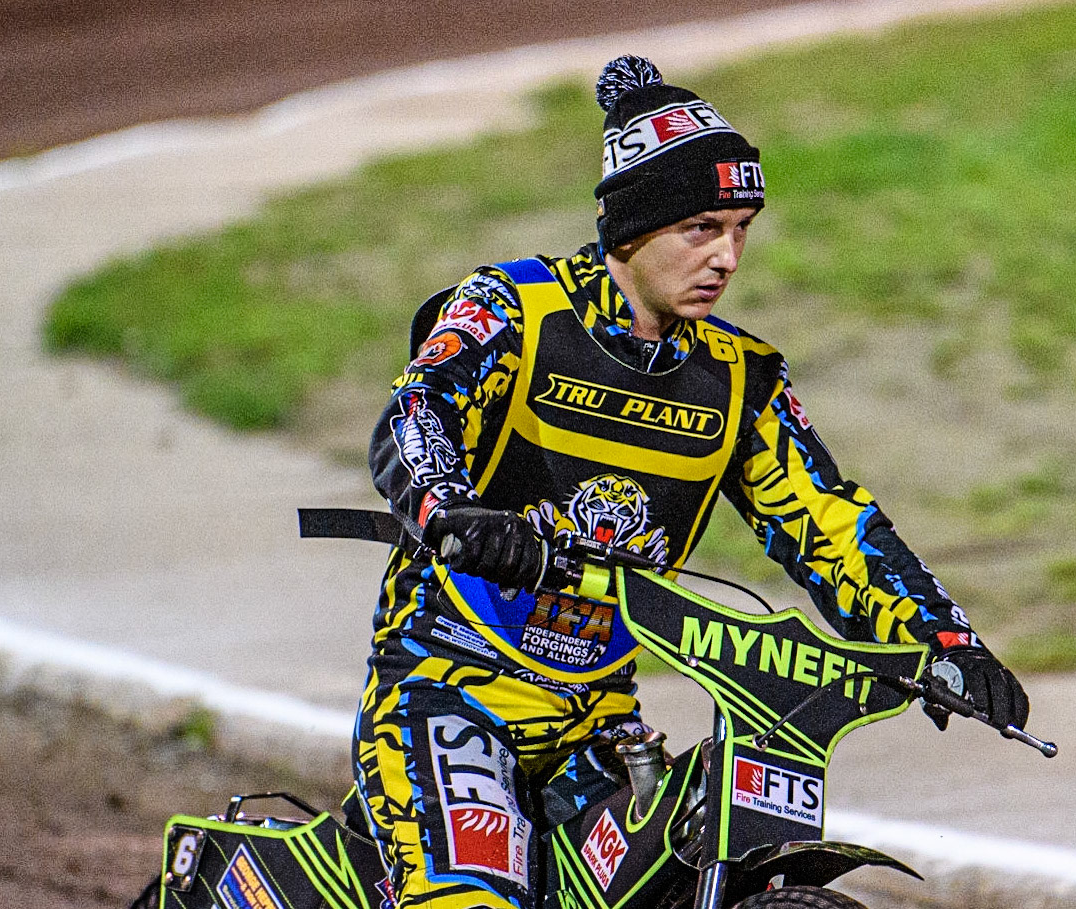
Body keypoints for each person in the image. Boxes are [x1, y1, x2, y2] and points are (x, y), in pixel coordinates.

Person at [354, 54, 1028, 909]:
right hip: (446, 696)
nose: (727, 257)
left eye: (741, 228)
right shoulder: (511, 310)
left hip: (595, 724)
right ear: (628, 230)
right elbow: (415, 412)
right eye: (702, 227)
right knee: (471, 898)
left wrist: (944, 639)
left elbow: (827, 521)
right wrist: (449, 508)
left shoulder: (740, 377)